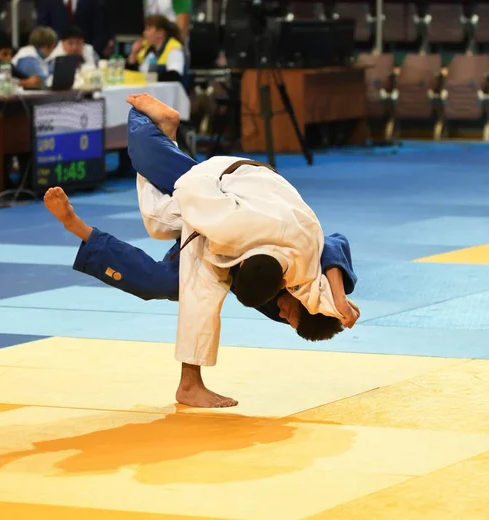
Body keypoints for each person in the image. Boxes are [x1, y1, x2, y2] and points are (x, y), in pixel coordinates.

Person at [44, 94, 359, 408]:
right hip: (229, 183)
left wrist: (339, 299)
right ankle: (154, 124)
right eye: (290, 313)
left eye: (289, 316)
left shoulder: (310, 275)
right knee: (155, 201)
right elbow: (192, 186)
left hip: (257, 234)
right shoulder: (228, 226)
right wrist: (165, 170)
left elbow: (333, 244)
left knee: (163, 279)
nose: (283, 314)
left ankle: (82, 226)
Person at [126, 15, 185, 82]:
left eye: (148, 29)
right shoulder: (147, 49)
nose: (144, 33)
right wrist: (134, 53)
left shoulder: (174, 48)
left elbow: (174, 75)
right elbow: (133, 73)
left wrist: (147, 78)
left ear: (160, 33)